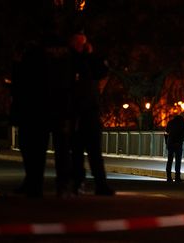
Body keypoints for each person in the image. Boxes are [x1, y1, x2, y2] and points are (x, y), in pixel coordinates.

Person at [10, 19, 75, 197]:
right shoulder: (67, 51)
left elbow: (24, 78)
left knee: (36, 150)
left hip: (39, 106)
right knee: (62, 150)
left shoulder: (34, 50)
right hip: (62, 105)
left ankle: (34, 185)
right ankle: (64, 186)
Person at [69, 31, 114, 196]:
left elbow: (102, 71)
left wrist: (90, 55)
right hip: (77, 112)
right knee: (78, 152)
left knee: (93, 151)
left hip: (89, 111)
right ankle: (79, 182)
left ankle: (99, 184)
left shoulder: (89, 61)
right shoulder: (72, 61)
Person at [165, 112, 184, 182]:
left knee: (169, 160)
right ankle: (177, 177)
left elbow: (166, 132)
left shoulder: (170, 122)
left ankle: (169, 177)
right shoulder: (183, 123)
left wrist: (167, 142)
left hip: (170, 143)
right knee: (178, 161)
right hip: (178, 144)